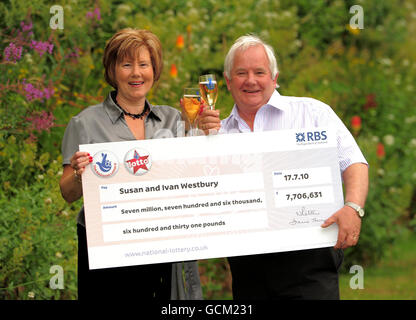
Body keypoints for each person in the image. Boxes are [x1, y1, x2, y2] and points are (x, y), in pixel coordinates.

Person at [198, 34, 369, 299]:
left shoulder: (312, 113)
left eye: (259, 72)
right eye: (241, 73)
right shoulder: (214, 134)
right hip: (249, 267)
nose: (251, 80)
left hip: (309, 261)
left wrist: (353, 207)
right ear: (228, 82)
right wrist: (197, 140)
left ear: (274, 78)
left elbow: (353, 162)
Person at [59, 28, 202, 300]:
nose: (136, 73)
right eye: (127, 64)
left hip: (161, 245)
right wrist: (79, 176)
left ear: (154, 70)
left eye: (144, 64)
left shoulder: (173, 120)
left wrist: (203, 132)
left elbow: (193, 175)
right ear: (113, 71)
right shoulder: (84, 123)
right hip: (106, 251)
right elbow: (67, 194)